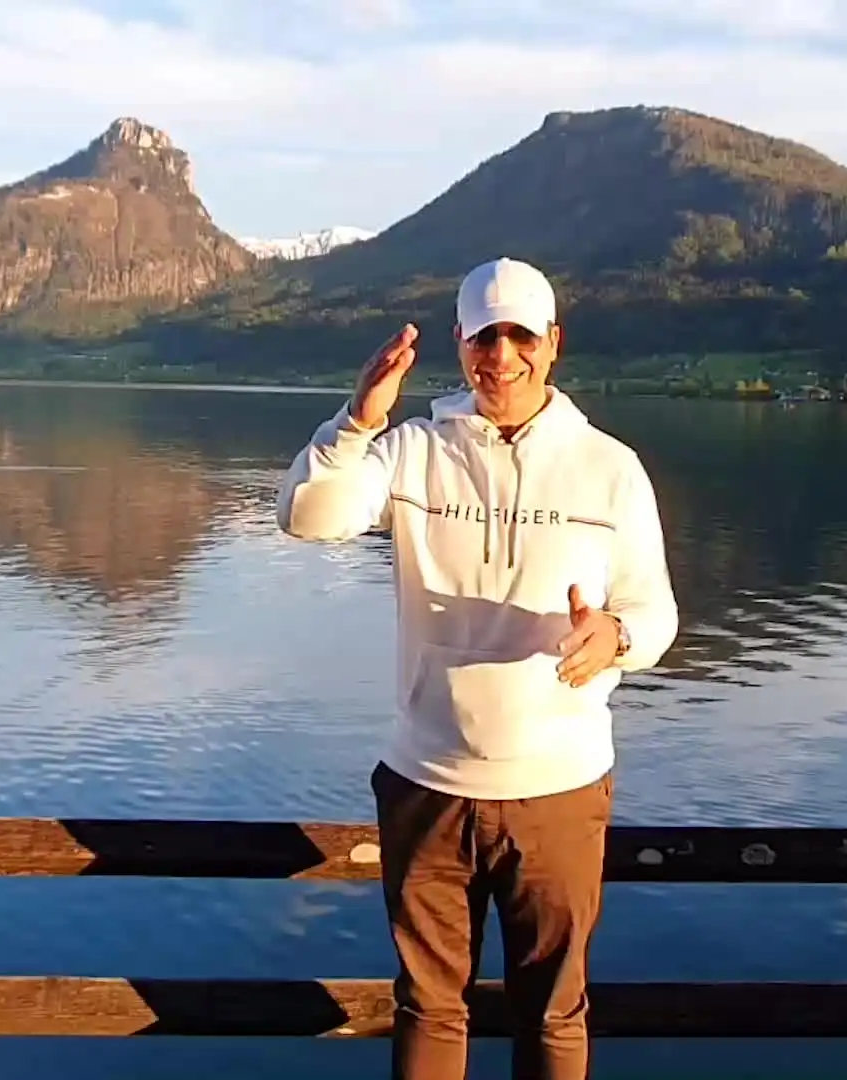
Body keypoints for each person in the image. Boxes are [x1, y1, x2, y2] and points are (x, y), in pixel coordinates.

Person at [275, 257, 679, 1080]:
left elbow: (655, 611)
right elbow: (308, 518)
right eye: (484, 338)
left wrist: (617, 636)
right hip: (427, 782)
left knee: (554, 1010)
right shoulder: (411, 452)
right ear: (460, 343)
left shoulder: (610, 468)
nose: (501, 357)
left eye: (520, 336)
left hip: (559, 788)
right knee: (429, 1006)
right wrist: (356, 424)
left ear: (553, 342)